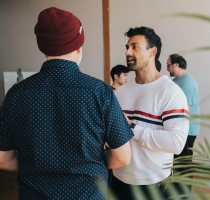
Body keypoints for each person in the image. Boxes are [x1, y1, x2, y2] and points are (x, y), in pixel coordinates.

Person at [0, 7, 133, 200]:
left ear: (43, 47)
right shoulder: (99, 92)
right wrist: (92, 163)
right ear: (78, 47)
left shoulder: (17, 94)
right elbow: (123, 157)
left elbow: (3, 159)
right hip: (88, 194)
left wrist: (36, 165)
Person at [110, 26, 189, 200]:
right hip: (118, 179)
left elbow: (176, 143)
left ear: (152, 52)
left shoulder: (171, 92)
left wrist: (131, 127)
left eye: (134, 46)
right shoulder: (121, 91)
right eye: (127, 47)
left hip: (153, 184)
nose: (128, 52)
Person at [167, 54, 200, 157]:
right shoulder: (175, 80)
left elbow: (182, 108)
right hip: (178, 127)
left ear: (176, 65)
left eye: (168, 65)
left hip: (188, 129)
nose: (167, 68)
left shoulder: (187, 82)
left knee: (184, 161)